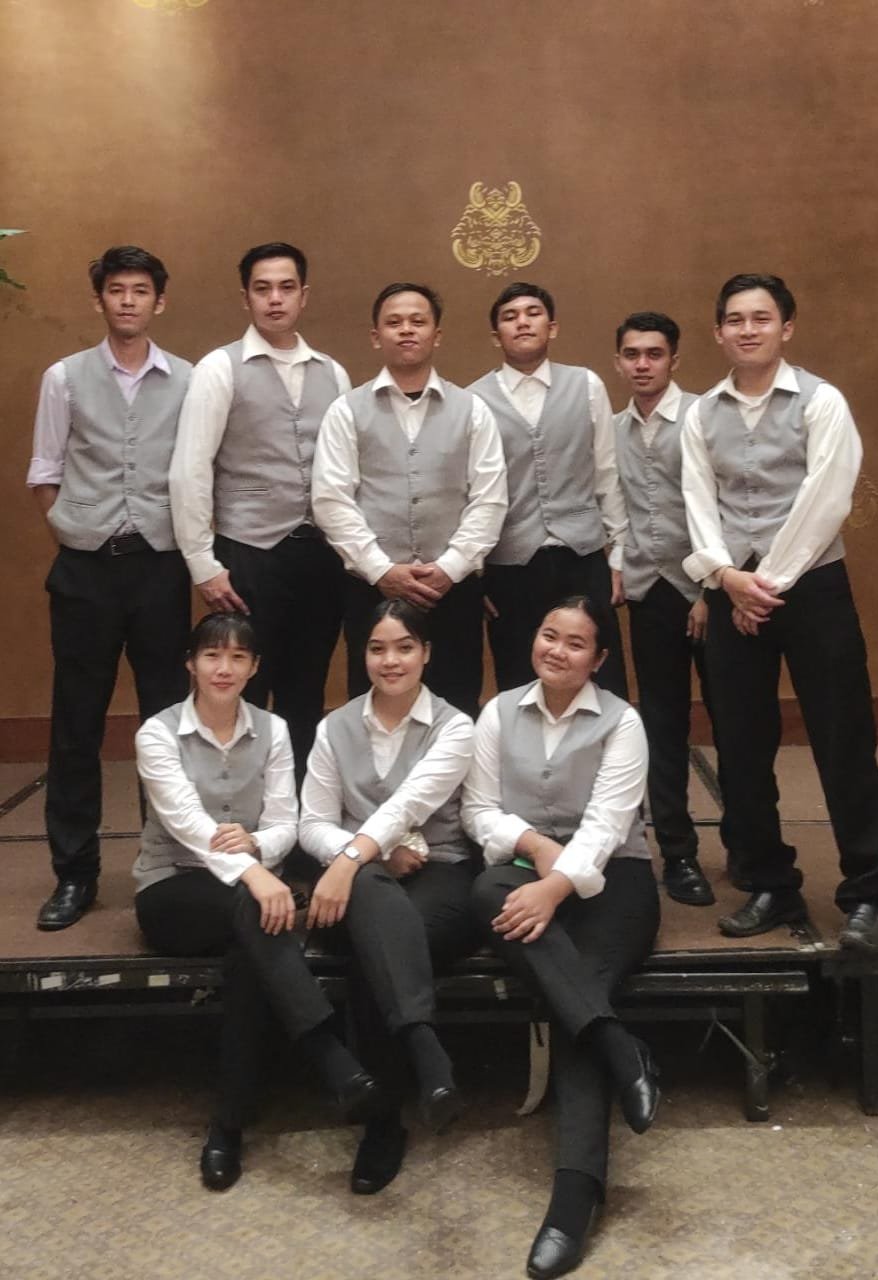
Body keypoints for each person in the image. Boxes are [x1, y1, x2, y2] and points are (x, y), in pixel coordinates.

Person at [133, 613, 382, 1192]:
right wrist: (256, 873)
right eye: (212, 655)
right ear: (191, 663)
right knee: (255, 912)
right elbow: (188, 824)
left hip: (252, 899)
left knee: (250, 953)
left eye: (238, 657)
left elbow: (285, 823)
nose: (224, 668)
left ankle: (228, 1124)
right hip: (173, 887)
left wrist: (259, 849)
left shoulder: (273, 729)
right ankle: (329, 1055)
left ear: (254, 668)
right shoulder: (156, 733)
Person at [681, 273, 878, 951]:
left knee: (842, 741)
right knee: (742, 749)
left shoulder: (821, 401)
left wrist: (763, 583)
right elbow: (697, 502)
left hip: (812, 588)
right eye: (735, 320)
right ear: (719, 333)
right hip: (733, 584)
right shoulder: (700, 413)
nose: (748, 330)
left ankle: (866, 896)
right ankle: (770, 882)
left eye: (761, 318)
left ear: (786, 328)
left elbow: (827, 498)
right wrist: (725, 577)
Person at [464, 596, 660, 1280]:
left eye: (576, 643)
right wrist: (536, 852)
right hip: (525, 867)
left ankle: (572, 1201)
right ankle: (621, 1048)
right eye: (549, 635)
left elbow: (607, 827)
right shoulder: (497, 713)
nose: (558, 650)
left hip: (615, 879)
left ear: (598, 659)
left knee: (577, 994)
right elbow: (479, 810)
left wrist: (554, 886)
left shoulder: (623, 722)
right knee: (485, 889)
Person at [27, 245, 192, 931]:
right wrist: (72, 527)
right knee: (76, 725)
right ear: (100, 299)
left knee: (168, 723)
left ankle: (167, 865)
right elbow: (45, 470)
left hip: (160, 567)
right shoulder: (64, 377)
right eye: (117, 289)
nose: (128, 300)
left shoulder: (188, 380)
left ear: (160, 301)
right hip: (86, 570)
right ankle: (75, 873)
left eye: (140, 290)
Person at [300, 600, 476, 1195]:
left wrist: (351, 856)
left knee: (379, 939)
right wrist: (366, 857)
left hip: (439, 873)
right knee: (375, 908)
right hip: (360, 883)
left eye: (404, 647)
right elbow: (311, 823)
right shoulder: (334, 727)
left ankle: (381, 1116)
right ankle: (426, 1055)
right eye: (377, 648)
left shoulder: (455, 726)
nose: (390, 660)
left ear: (426, 652)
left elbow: (411, 803)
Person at [169, 242, 350, 777]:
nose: (275, 299)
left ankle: (298, 815)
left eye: (286, 288)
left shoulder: (333, 373)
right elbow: (190, 468)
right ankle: (237, 813)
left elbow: (346, 473)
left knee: (307, 691)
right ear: (245, 297)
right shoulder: (218, 368)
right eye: (262, 288)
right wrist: (203, 563)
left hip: (320, 557)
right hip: (248, 553)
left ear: (304, 296)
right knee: (241, 691)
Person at [312, 282, 507, 719]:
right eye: (394, 322)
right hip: (371, 588)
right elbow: (331, 499)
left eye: (418, 321)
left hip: (453, 591)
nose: (406, 330)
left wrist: (450, 567)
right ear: (375, 336)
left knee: (456, 704)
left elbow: (490, 499)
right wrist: (380, 569)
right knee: (373, 708)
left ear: (436, 335)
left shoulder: (472, 409)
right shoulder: (346, 410)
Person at [614, 311, 729, 906]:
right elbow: (612, 504)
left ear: (674, 360)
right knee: (661, 725)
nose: (642, 364)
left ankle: (748, 845)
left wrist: (710, 590)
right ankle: (678, 855)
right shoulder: (612, 429)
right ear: (619, 362)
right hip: (649, 591)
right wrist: (619, 564)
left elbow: (726, 506)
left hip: (709, 591)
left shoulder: (704, 417)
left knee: (734, 720)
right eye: (632, 354)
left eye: (654, 354)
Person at [469, 282, 628, 697]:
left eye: (533, 313)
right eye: (510, 317)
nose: (522, 322)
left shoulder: (586, 385)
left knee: (600, 678)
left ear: (552, 327)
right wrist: (474, 573)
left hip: (582, 556)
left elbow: (606, 473)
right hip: (510, 564)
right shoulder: (473, 401)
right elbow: (469, 494)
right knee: (519, 678)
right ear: (496, 336)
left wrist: (619, 554)